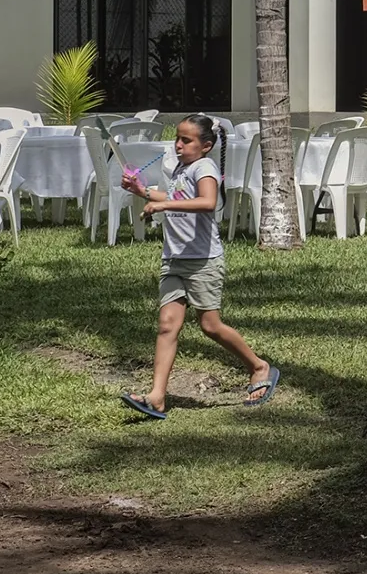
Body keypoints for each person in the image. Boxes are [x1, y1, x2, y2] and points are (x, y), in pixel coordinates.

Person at [119, 115, 278, 420]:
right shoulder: (181, 167)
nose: (178, 145)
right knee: (167, 325)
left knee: (210, 326)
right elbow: (177, 197)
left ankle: (259, 366)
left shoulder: (204, 167)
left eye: (186, 140)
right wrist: (142, 191)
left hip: (203, 261)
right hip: (174, 258)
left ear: (206, 146)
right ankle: (157, 396)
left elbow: (207, 202)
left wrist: (163, 206)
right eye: (177, 139)